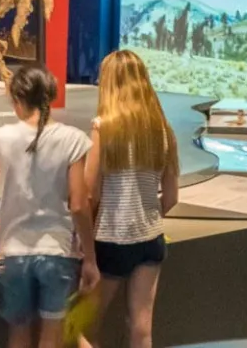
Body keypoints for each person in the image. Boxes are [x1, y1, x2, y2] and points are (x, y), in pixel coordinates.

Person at [0, 65, 97, 348]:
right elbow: (79, 204)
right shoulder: (73, 139)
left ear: (18, 100)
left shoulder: (2, 137)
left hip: (15, 252)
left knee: (18, 335)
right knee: (51, 337)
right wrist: (91, 258)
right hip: (58, 251)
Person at [85, 50, 178, 348]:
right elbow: (171, 197)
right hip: (150, 239)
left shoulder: (103, 126)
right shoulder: (163, 130)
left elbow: (90, 192)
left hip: (110, 240)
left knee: (84, 328)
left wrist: (84, 236)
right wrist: (145, 215)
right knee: (141, 327)